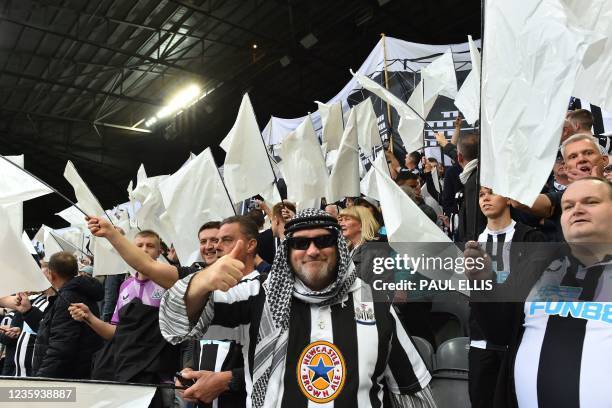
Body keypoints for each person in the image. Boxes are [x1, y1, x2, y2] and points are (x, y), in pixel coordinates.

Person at [159, 209, 436, 408]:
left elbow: (410, 391)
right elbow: (177, 327)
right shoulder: (259, 296)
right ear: (287, 252)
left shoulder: (374, 303)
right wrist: (199, 284)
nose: (312, 250)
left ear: (338, 247)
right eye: (300, 243)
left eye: (323, 241)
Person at [465, 177, 612, 407]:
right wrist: (484, 282)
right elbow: (499, 331)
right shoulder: (538, 260)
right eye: (568, 206)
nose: (577, 210)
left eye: (591, 202)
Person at [69, 230, 178, 407]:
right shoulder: (125, 286)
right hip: (127, 375)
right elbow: (116, 334)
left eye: (150, 246)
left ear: (160, 252)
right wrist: (89, 317)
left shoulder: (170, 284)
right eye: (139, 246)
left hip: (159, 377)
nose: (144, 250)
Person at [469, 187, 545, 408]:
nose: (486, 198)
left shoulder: (531, 238)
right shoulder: (471, 241)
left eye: (492, 193)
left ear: (509, 199)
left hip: (519, 338)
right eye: (482, 195)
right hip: (481, 340)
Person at [16, 251, 103, 379]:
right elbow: (50, 330)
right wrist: (28, 311)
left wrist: (40, 381)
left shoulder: (69, 298)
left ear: (52, 274)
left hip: (65, 381)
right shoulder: (72, 293)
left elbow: (61, 348)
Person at [86, 217, 221, 289]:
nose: (208, 246)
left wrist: (113, 234)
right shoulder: (195, 273)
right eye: (203, 242)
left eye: (214, 240)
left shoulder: (241, 277)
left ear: (159, 251)